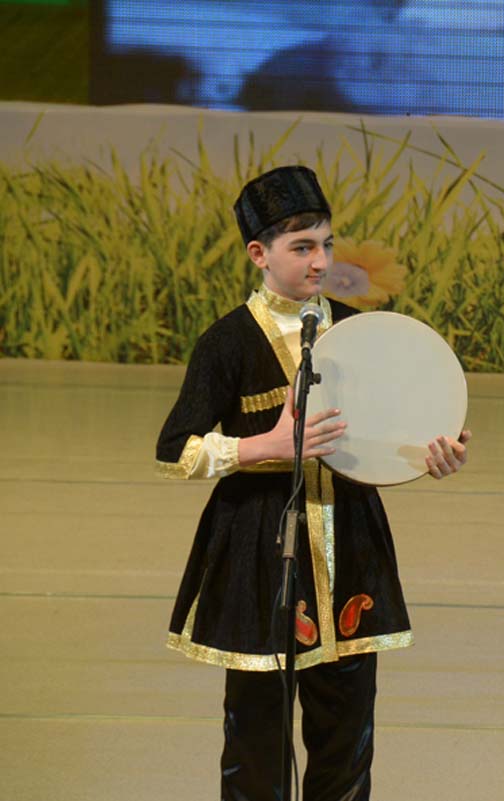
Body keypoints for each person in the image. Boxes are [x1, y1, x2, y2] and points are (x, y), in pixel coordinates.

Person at [155, 165, 470, 801]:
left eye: (326, 244)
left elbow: (397, 429)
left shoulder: (362, 332)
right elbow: (176, 450)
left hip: (350, 551)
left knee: (347, 740)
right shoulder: (227, 343)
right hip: (259, 558)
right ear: (259, 254)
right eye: (302, 248)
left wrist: (433, 453)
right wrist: (262, 446)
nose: (321, 261)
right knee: (256, 745)